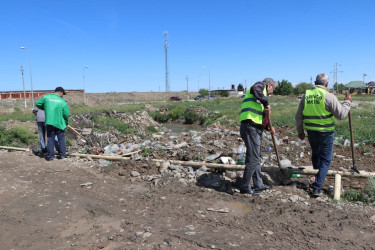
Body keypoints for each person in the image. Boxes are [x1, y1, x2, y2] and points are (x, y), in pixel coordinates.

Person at [295, 73, 352, 197]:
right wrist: (347, 103)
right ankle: (317, 187)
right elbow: (341, 115)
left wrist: (300, 131)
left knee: (316, 156)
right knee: (326, 160)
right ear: (326, 84)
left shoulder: (306, 95)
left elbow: (299, 116)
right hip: (325, 133)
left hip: (311, 132)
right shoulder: (328, 96)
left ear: (315, 82)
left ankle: (317, 179)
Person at [240, 78, 277, 196]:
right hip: (249, 127)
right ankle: (245, 187)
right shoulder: (259, 86)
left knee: (256, 157)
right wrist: (266, 103)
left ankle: (258, 184)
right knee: (253, 158)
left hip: (254, 128)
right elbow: (257, 89)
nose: (272, 92)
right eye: (273, 89)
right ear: (270, 85)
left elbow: (259, 119)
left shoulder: (260, 97)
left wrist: (268, 128)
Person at [36, 87, 70, 161]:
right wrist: (66, 122)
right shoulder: (62, 101)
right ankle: (63, 155)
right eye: (62, 94)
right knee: (61, 139)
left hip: (50, 122)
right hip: (60, 123)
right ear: (60, 93)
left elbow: (37, 103)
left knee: (50, 139)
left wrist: (46, 107)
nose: (62, 96)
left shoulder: (46, 97)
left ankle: (50, 157)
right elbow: (66, 113)